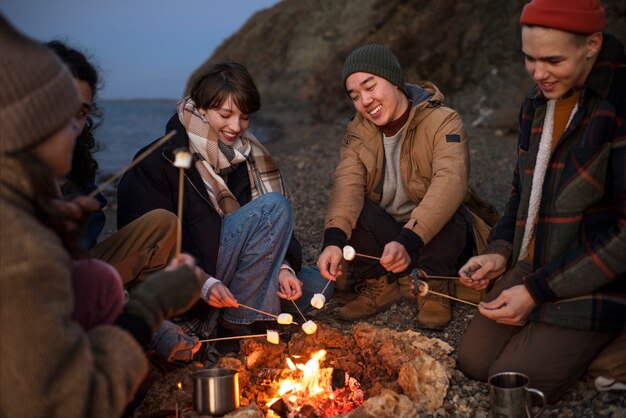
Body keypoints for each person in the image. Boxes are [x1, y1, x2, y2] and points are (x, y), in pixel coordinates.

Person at [0, 15, 203, 417]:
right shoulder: (21, 244)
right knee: (101, 282)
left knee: (102, 272)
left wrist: (53, 221)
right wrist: (148, 310)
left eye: (83, 114)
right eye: (64, 113)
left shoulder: (25, 200)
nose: (78, 127)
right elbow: (70, 404)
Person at [457, 0, 626, 403]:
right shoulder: (536, 103)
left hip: (601, 278)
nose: (537, 73)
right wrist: (500, 252)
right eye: (529, 59)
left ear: (592, 44)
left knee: (513, 381)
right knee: (474, 363)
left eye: (552, 60)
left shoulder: (618, 106)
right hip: (539, 264)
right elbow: (522, 194)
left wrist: (535, 293)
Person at [117, 61, 331, 338]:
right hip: (190, 273)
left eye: (244, 117)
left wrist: (283, 268)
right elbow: (146, 248)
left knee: (318, 285)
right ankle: (241, 323)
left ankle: (236, 308)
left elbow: (267, 234)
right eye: (225, 114)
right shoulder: (162, 158)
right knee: (273, 207)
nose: (236, 126)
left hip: (235, 265)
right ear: (202, 109)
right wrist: (204, 281)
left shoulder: (247, 157)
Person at [48, 40, 199, 362]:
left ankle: (149, 320)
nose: (72, 123)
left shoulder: (72, 161)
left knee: (162, 224)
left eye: (82, 111)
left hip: (76, 267)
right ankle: (137, 324)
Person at [316, 44, 485, 329]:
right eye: (355, 96)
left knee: (447, 207)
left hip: (433, 236)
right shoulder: (358, 130)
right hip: (389, 241)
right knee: (354, 210)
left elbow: (450, 182)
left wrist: (408, 240)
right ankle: (382, 285)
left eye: (370, 87)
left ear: (394, 79)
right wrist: (333, 242)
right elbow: (348, 184)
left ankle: (435, 287)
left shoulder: (443, 120)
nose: (365, 101)